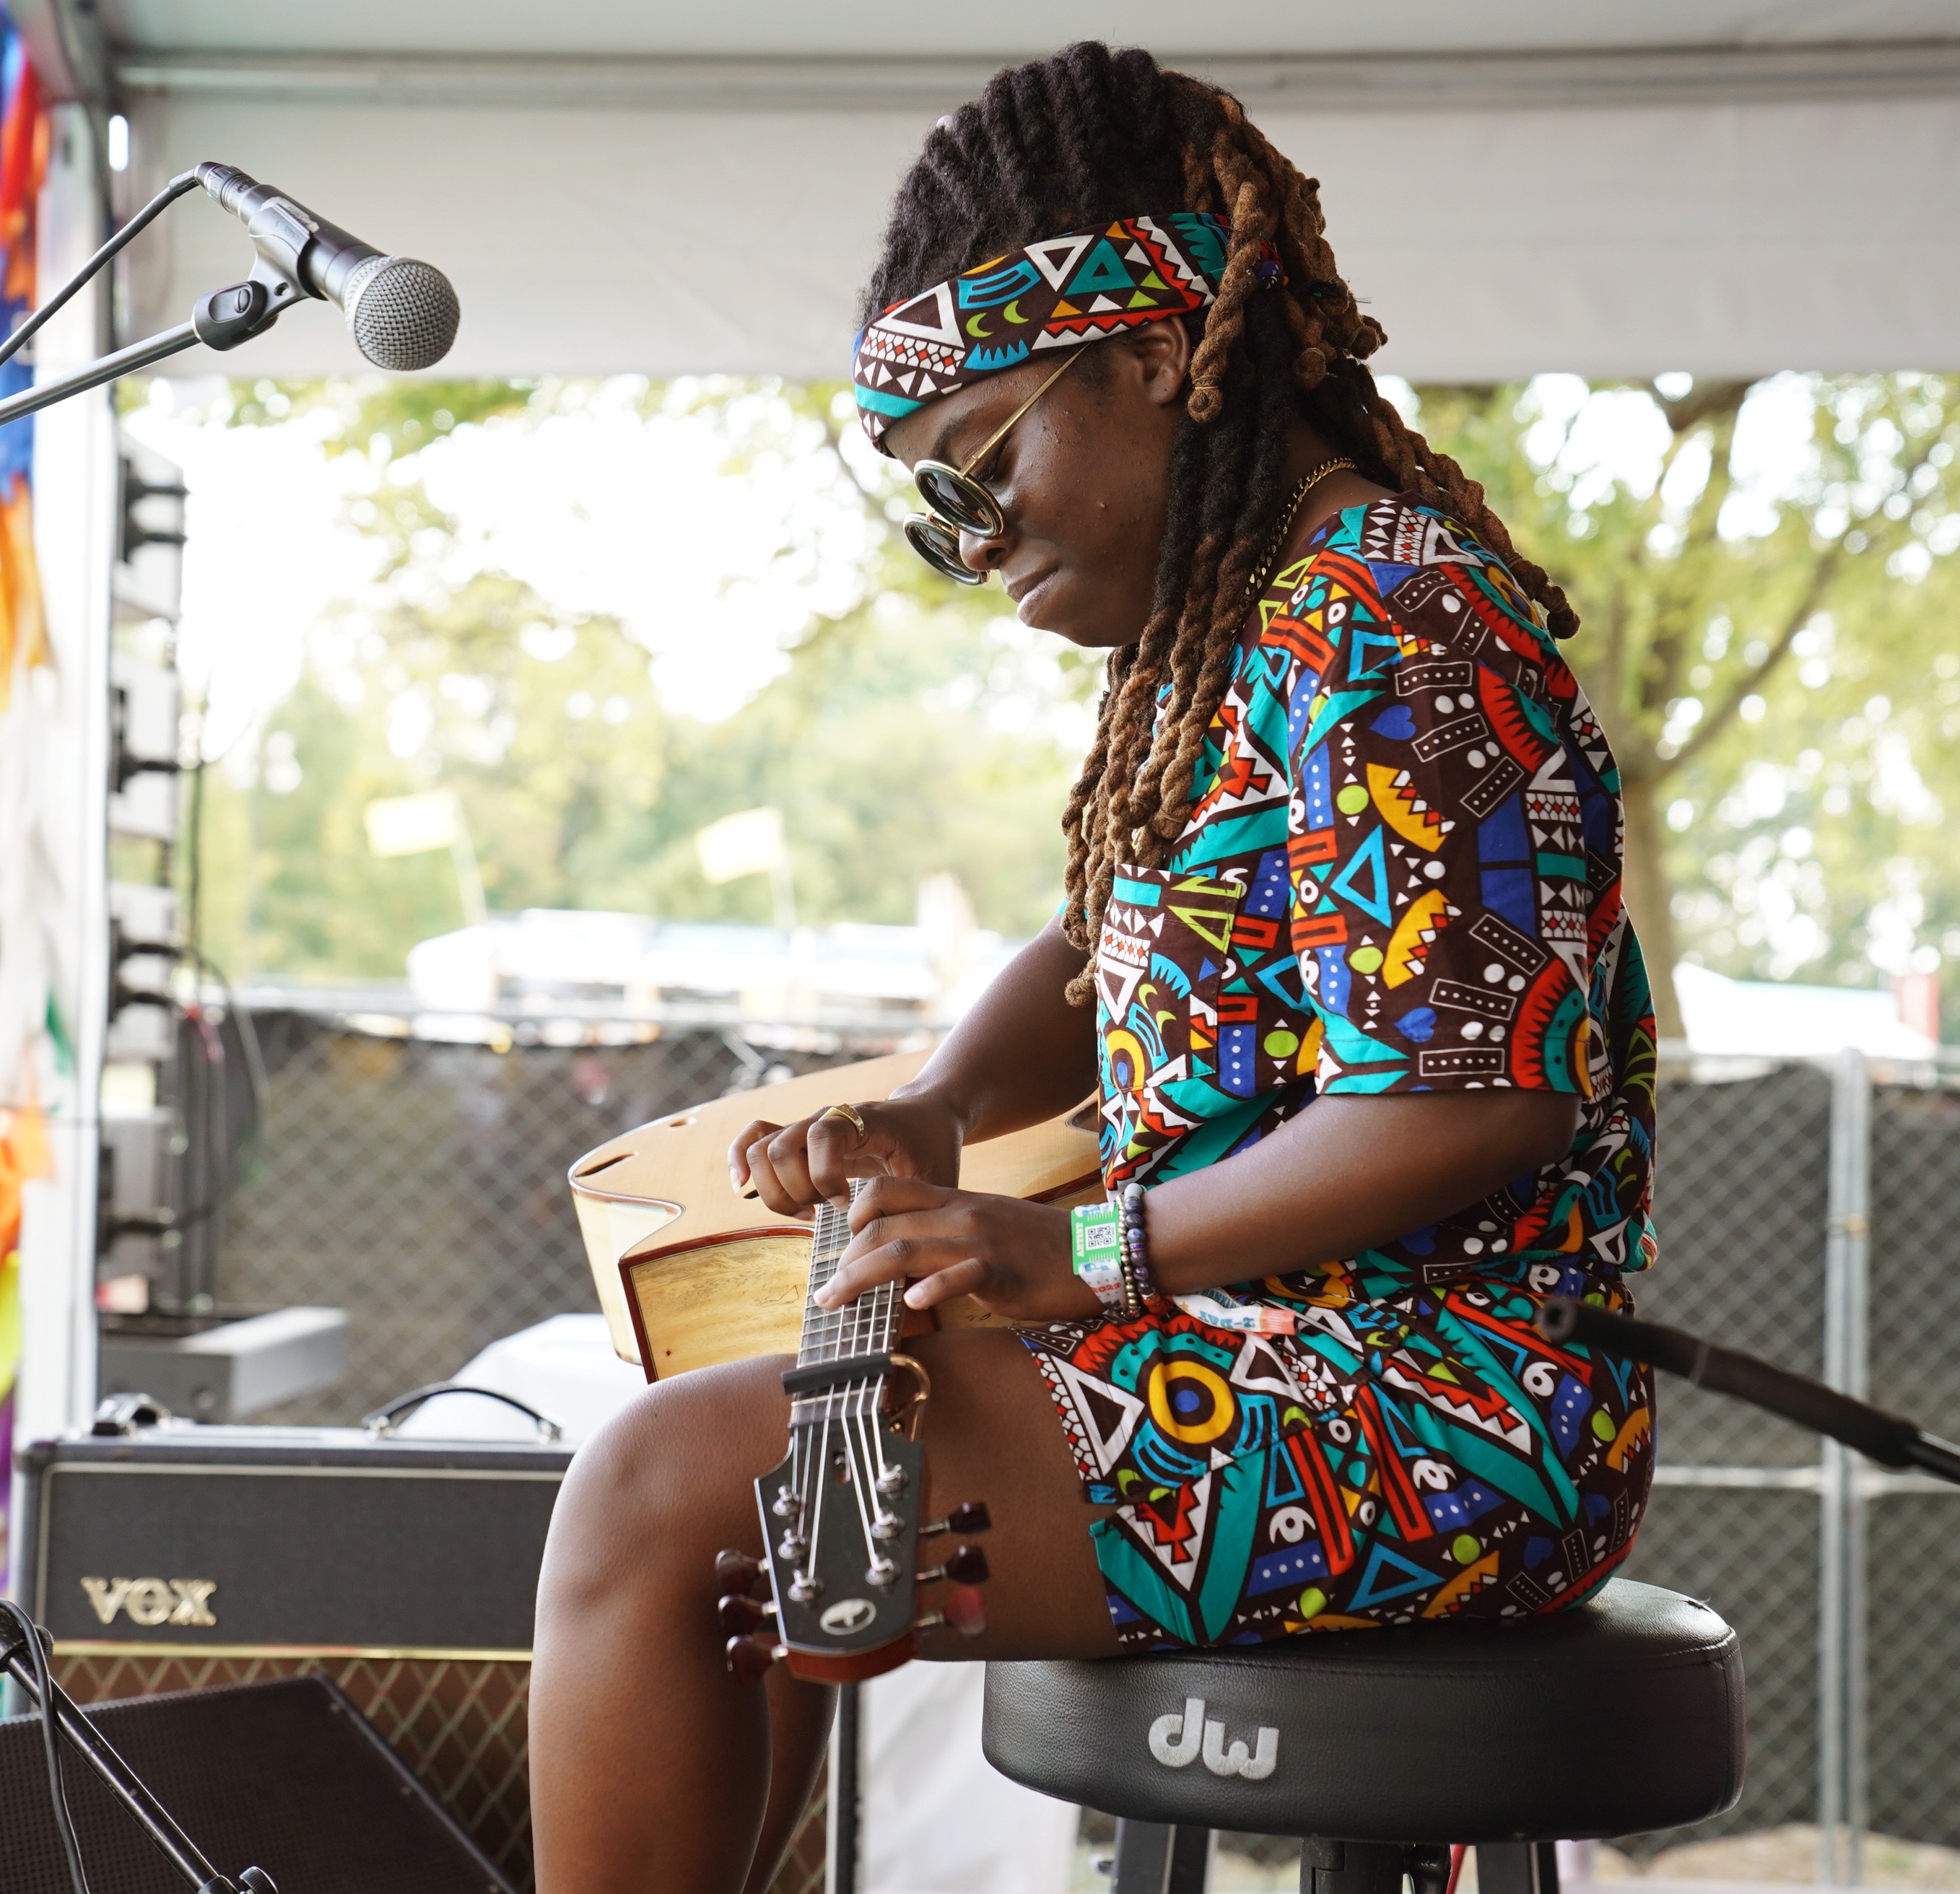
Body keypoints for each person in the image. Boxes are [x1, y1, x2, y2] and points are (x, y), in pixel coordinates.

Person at [530, 42, 1658, 1894]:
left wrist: (1073, 1252)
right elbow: (1110, 931)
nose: (976, 546)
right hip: (1271, 1355)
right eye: (938, 507)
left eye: (984, 467)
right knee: (749, 1490)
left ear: (1154, 353)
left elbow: (1469, 1104)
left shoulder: (1394, 621)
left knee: (653, 1493)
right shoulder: (1241, 638)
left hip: (1450, 1412)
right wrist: (941, 1105)